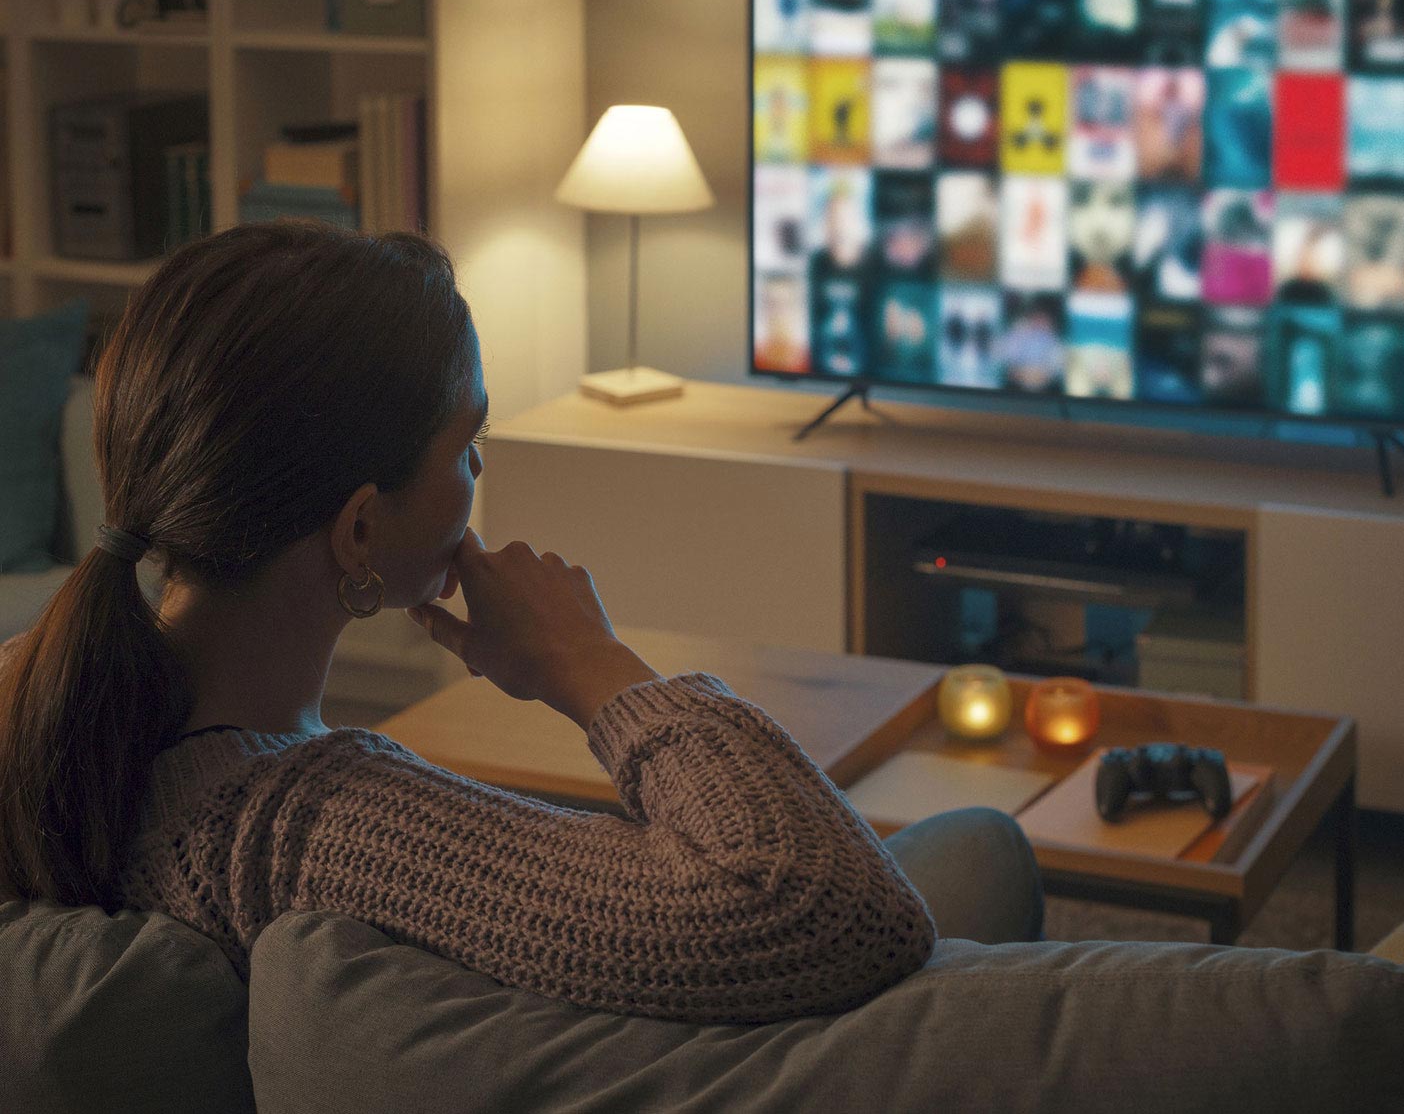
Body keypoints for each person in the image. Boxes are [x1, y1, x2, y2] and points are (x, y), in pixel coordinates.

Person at [0, 221, 1042, 1025]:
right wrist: (592, 665)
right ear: (361, 528)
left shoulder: (38, 695)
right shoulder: (311, 828)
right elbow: (826, 903)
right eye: (469, 444)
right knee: (980, 855)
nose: (480, 474)